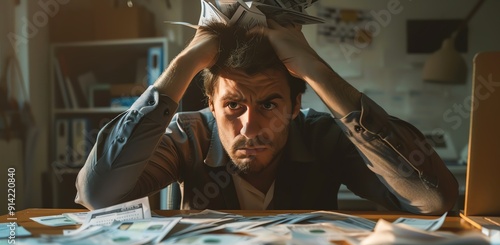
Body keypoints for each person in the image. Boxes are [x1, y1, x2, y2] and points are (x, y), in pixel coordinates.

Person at [75, 20, 458, 214]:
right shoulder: (188, 136)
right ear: (211, 104)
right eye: (233, 106)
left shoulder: (322, 136)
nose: (249, 127)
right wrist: (187, 61)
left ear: (295, 106)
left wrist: (315, 69)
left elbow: (433, 198)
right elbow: (98, 194)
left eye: (270, 105)